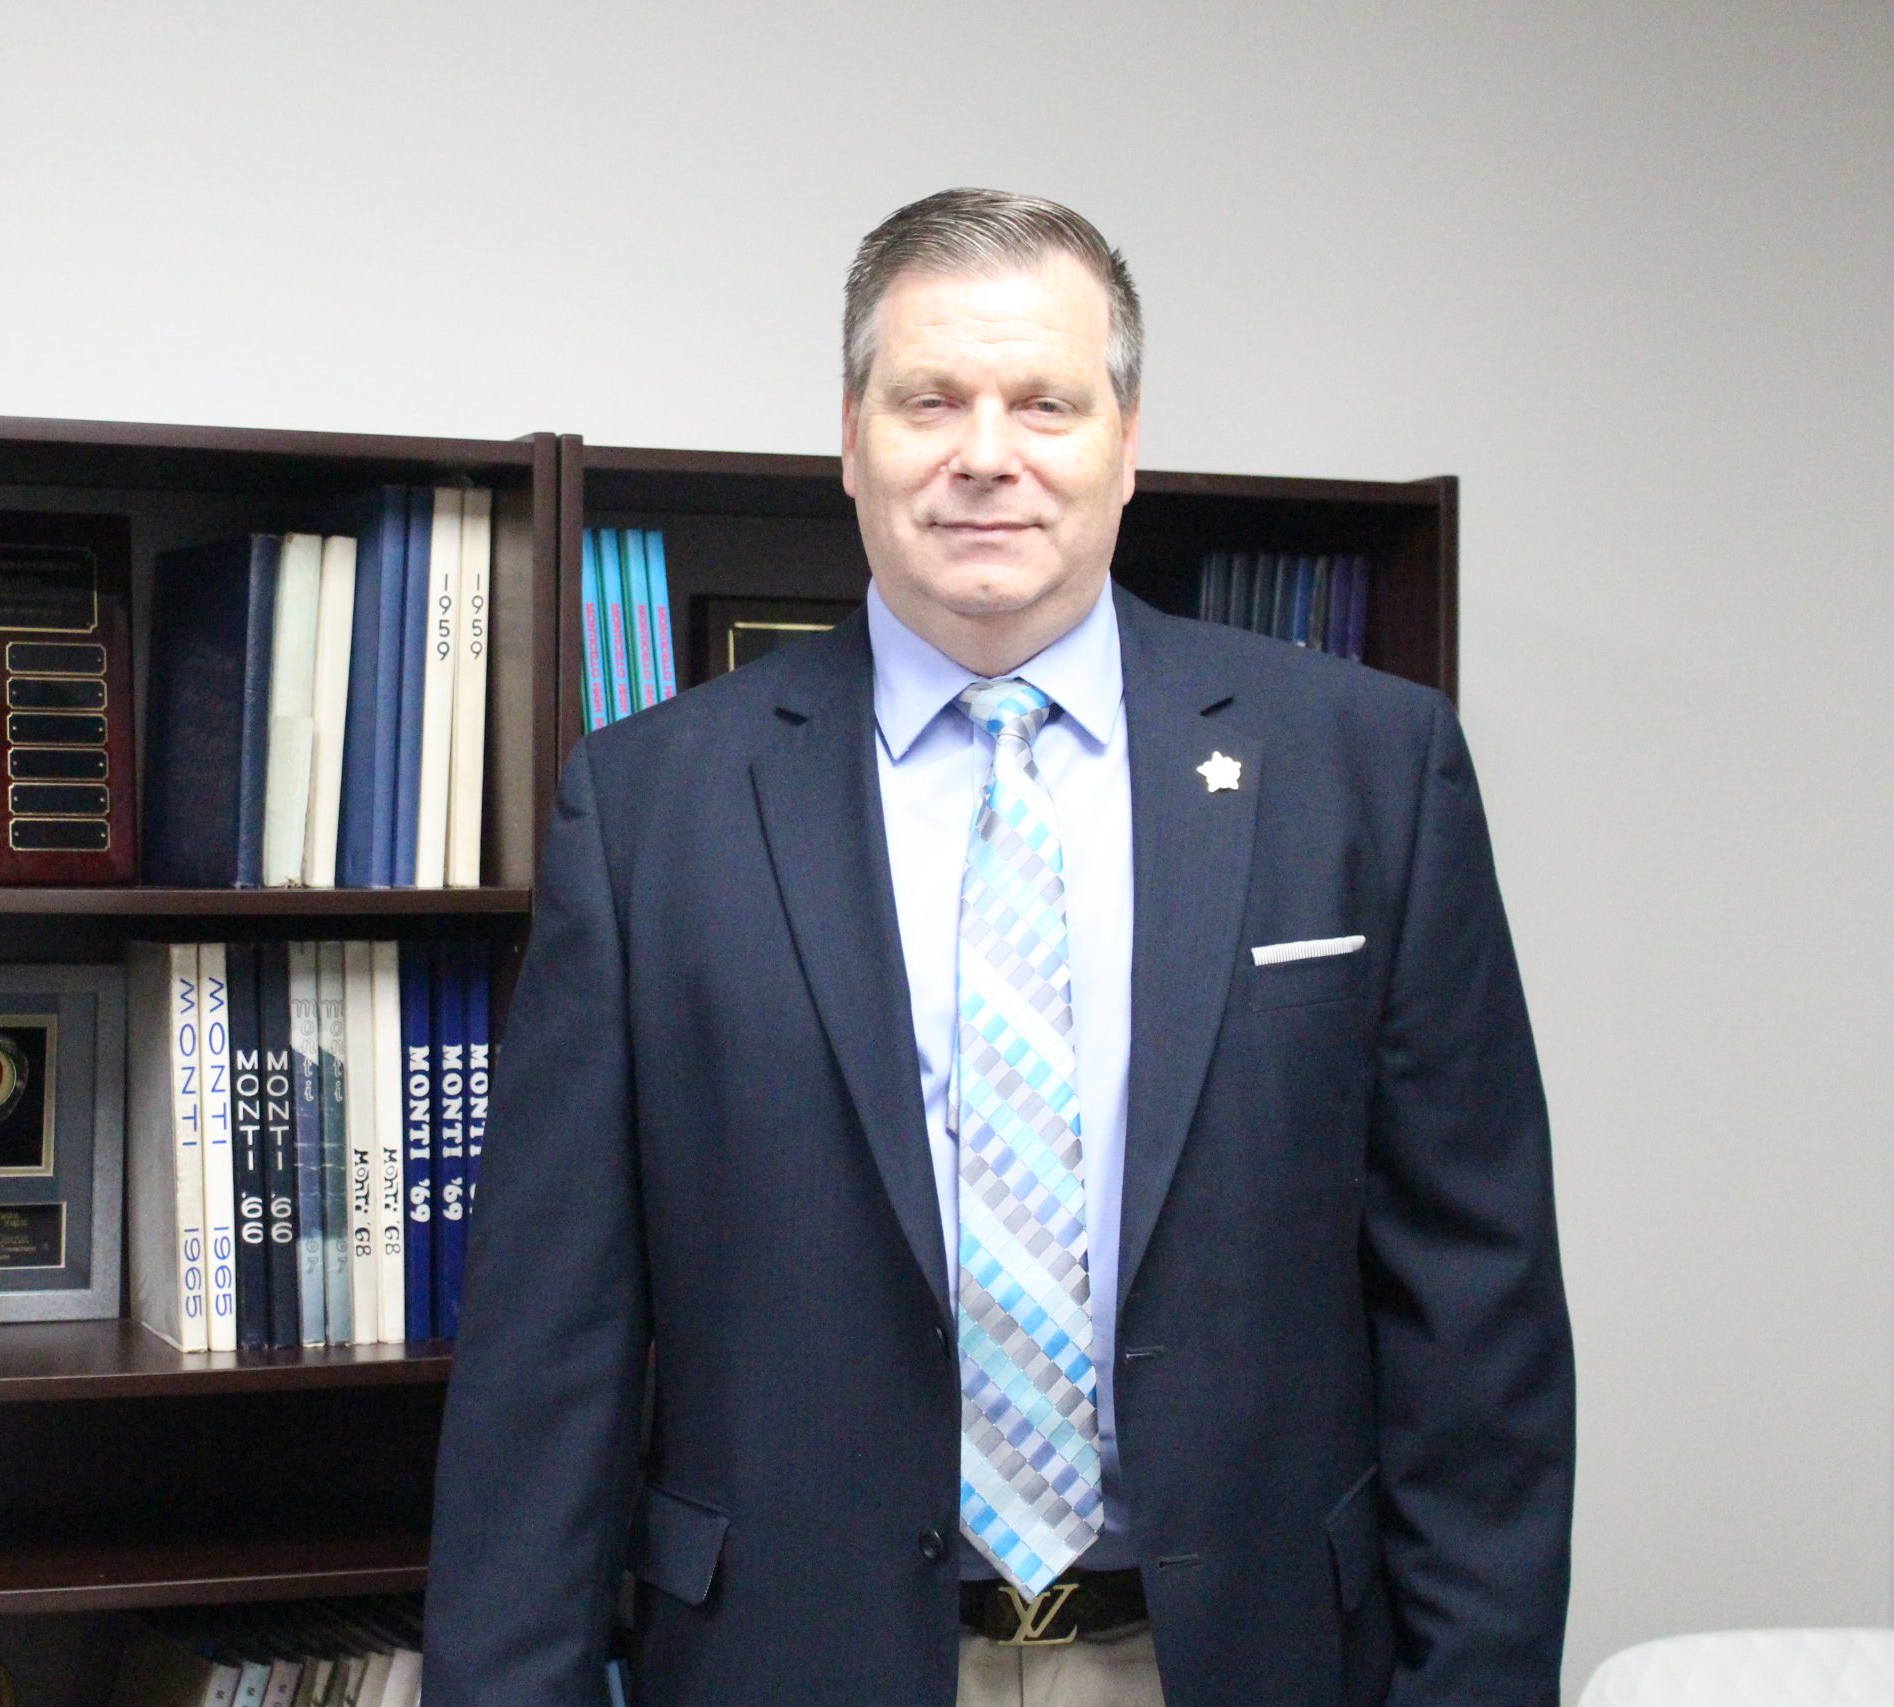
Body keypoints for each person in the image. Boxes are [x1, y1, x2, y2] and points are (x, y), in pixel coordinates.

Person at [423, 188, 1573, 1707]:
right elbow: (544, 1350)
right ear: (851, 441)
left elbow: (1474, 1309)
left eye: (1045, 402)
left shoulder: (1366, 769)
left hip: (1241, 1657)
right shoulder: (649, 810)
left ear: (1126, 440)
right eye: (928, 401)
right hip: (795, 1661)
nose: (986, 454)